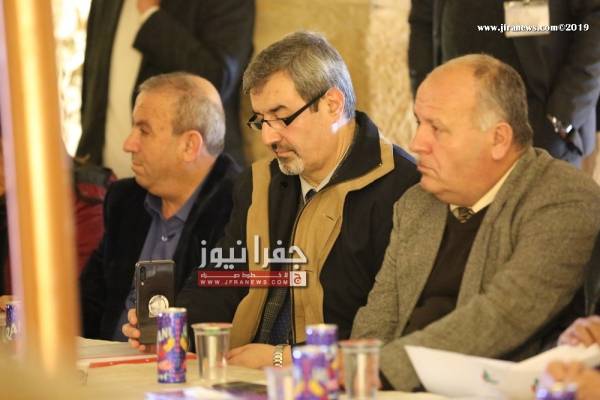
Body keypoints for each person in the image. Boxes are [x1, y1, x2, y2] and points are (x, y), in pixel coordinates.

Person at [124, 31, 420, 364]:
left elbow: (388, 329)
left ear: (332, 105)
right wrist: (172, 333)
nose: (268, 137)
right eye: (261, 120)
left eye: (281, 117)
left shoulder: (402, 189)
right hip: (245, 371)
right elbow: (222, 282)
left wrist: (283, 358)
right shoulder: (259, 183)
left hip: (333, 380)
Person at [351, 54, 600, 391]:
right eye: (418, 122)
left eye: (436, 128)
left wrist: (382, 368)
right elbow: (379, 316)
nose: (416, 143)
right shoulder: (416, 204)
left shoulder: (561, 196)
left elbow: (506, 313)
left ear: (498, 139)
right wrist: (354, 370)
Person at [79, 72, 242, 340]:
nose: (128, 144)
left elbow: (215, 320)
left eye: (144, 131)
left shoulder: (238, 208)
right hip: (103, 361)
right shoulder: (124, 200)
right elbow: (85, 304)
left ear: (189, 145)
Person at [408, 0, 600, 167]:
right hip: (455, 124)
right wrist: (428, 108)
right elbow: (422, 19)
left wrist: (564, 114)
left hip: (541, 121)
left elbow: (595, 16)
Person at [77, 0, 255, 177]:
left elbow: (217, 80)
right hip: (104, 181)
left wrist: (151, 16)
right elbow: (93, 83)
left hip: (194, 185)